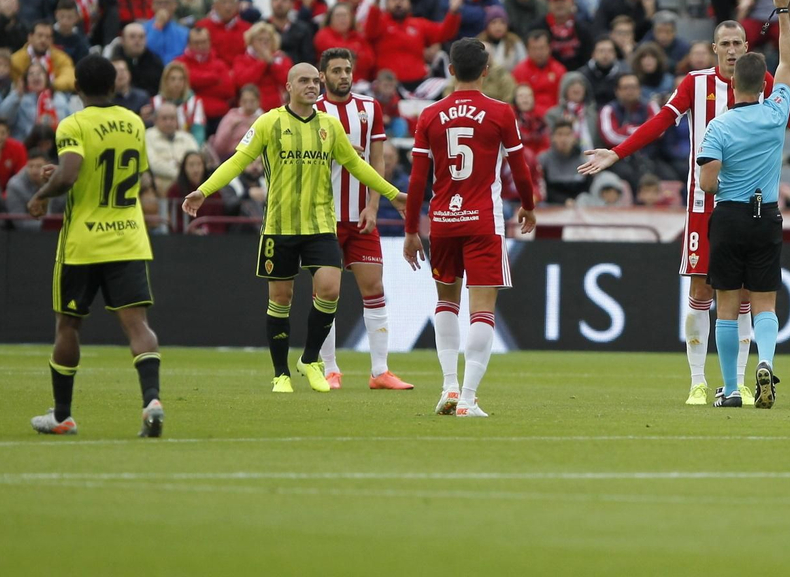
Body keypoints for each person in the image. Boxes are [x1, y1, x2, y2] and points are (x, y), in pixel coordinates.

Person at [577, 20, 790, 406]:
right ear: (714, 48)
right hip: (704, 206)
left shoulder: (760, 81)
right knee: (701, 291)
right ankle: (698, 381)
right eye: (725, 44)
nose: (732, 50)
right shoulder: (694, 84)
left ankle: (737, 383)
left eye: (737, 43)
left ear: (746, 46)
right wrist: (616, 152)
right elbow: (661, 122)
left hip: (735, 208)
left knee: (744, 296)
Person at [183, 62, 404, 393]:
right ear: (288, 86)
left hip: (319, 225)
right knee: (281, 299)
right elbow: (237, 161)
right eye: (304, 81)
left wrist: (392, 194)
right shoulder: (269, 122)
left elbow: (357, 165)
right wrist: (204, 190)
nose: (313, 86)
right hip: (279, 227)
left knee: (330, 289)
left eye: (316, 81)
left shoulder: (329, 126)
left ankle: (311, 359)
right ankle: (280, 373)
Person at [23, 54, 163, 437]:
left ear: (76, 87)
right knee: (139, 327)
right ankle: (151, 400)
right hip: (129, 237)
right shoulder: (134, 122)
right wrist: (65, 174)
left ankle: (63, 415)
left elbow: (69, 176)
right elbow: (120, 171)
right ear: (114, 85)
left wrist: (41, 193)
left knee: (68, 326)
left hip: (84, 241)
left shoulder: (73, 123)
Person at [402, 39, 537, 417]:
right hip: (482, 221)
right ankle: (469, 398)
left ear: (449, 71)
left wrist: (412, 229)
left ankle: (449, 386)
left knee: (446, 302)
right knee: (482, 309)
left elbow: (416, 181)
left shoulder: (429, 114)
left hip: (442, 222)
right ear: (485, 70)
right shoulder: (500, 112)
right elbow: (520, 168)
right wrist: (528, 206)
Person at [694, 0, 790, 408]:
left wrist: (727, 174)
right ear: (765, 85)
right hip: (767, 213)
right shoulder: (776, 114)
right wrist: (785, 13)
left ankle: (732, 390)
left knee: (725, 304)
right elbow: (789, 63)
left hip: (731, 215)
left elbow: (707, 184)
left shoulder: (718, 127)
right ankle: (766, 362)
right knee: (765, 302)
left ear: (734, 81)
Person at [309, 47, 412, 390]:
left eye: (347, 70)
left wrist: (372, 204)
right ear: (322, 76)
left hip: (361, 215)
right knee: (327, 291)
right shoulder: (312, 112)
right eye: (336, 70)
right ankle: (330, 368)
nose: (343, 76)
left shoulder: (370, 108)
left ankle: (380, 371)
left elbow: (376, 161)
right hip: (322, 218)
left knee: (374, 287)